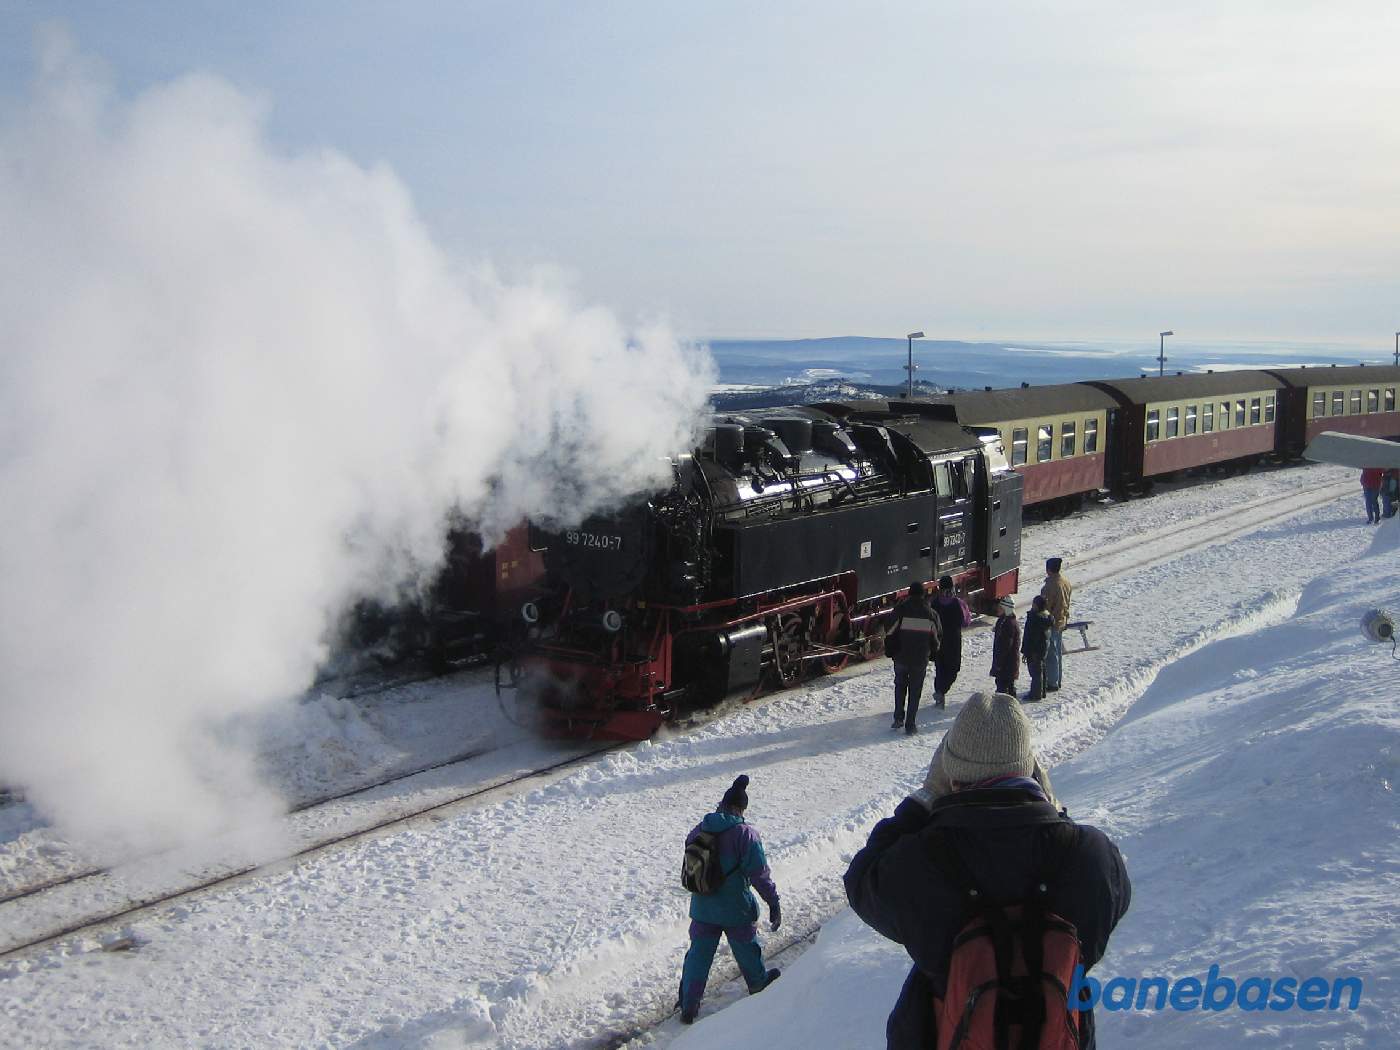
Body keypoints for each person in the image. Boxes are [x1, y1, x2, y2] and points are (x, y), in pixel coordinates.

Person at [843, 693, 1131, 1049]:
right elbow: (1105, 910)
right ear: (1030, 770)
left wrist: (923, 800)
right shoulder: (1090, 855)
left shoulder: (918, 860)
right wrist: (1056, 814)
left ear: (950, 773)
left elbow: (861, 879)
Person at [678, 775, 782, 1024]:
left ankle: (688, 1004)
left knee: (698, 956)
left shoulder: (699, 829)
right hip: (736, 908)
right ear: (739, 809)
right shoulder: (745, 834)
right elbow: (760, 875)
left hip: (702, 906)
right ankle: (758, 984)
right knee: (747, 948)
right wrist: (773, 902)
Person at [888, 581, 942, 734]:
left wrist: (892, 649)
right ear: (923, 595)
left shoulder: (900, 610)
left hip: (901, 657)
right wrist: (933, 651)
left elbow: (889, 631)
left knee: (900, 687)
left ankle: (898, 717)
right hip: (920, 659)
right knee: (915, 691)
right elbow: (937, 638)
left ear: (909, 594)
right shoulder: (931, 614)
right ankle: (910, 725)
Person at [930, 575, 973, 710]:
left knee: (940, 668)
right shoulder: (958, 603)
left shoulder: (934, 603)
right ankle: (941, 691)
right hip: (953, 641)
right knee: (953, 668)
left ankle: (939, 693)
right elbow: (966, 622)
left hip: (938, 641)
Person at [1040, 557, 1073, 692]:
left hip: (1052, 623)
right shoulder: (1065, 582)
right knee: (1058, 652)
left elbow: (1045, 607)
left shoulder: (1050, 586)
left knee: (1051, 654)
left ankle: (1052, 683)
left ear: (1049, 570)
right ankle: (1057, 680)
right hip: (1062, 621)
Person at [1021, 594, 1052, 701]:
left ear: (1037, 606)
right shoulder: (1047, 617)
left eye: (1034, 604)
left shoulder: (1035, 619)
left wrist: (1027, 651)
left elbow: (1030, 637)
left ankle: (1035, 695)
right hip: (1042, 649)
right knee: (1041, 670)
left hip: (1034, 651)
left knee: (1035, 674)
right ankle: (1042, 692)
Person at [989, 595, 1020, 696]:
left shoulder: (1009, 624)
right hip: (1007, 665)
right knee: (1007, 687)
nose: (998, 609)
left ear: (1006, 609)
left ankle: (1005, 709)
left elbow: (1005, 647)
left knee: (1003, 689)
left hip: (1006, 665)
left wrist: (998, 664)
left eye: (1000, 608)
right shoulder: (1004, 621)